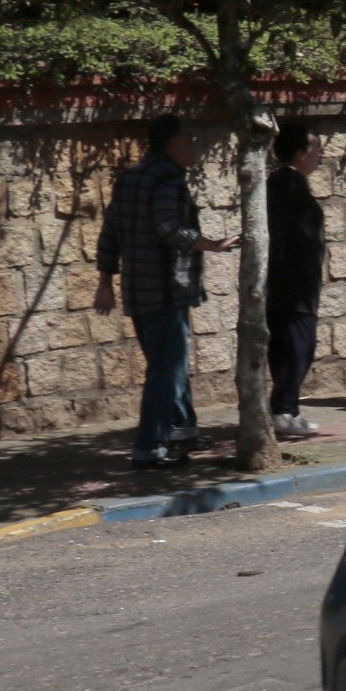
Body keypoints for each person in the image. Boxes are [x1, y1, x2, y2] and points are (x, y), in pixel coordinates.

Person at [94, 116, 238, 468]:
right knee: (166, 369)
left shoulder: (129, 178)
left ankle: (183, 430)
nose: (194, 145)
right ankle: (150, 447)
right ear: (172, 143)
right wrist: (210, 244)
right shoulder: (168, 180)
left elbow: (110, 232)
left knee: (168, 364)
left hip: (137, 290)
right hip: (165, 289)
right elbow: (168, 227)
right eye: (189, 139)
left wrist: (105, 282)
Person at [266, 118, 326, 438]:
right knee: (298, 346)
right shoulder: (289, 184)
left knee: (290, 347)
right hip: (292, 284)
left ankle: (288, 409)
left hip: (289, 283)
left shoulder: (283, 182)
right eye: (316, 148)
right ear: (300, 153)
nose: (320, 155)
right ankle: (283, 409)